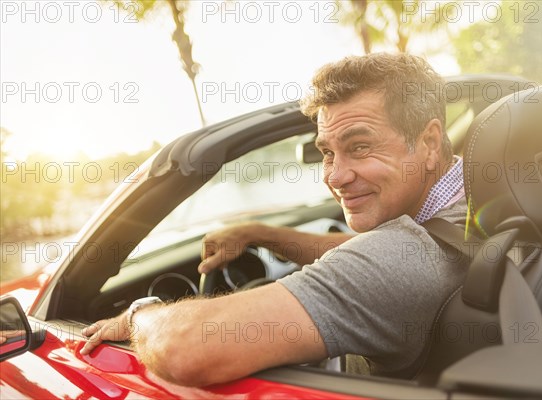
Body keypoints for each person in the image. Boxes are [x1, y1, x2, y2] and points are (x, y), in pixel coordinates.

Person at [81, 52, 468, 387]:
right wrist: (259, 234)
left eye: (360, 147)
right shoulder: (478, 203)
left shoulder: (397, 263)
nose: (335, 177)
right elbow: (369, 255)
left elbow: (184, 347)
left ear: (430, 143)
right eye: (328, 153)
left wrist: (139, 315)